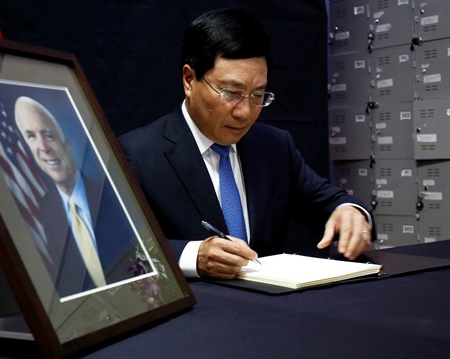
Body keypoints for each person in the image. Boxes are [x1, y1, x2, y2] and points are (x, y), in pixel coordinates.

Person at [118, 8, 374, 280]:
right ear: (189, 79)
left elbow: (332, 200)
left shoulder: (274, 147)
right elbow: (116, 251)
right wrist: (193, 256)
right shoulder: (138, 154)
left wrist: (350, 212)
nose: (245, 112)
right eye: (231, 93)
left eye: (258, 95)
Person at [15, 96, 146, 297]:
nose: (43, 147)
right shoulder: (41, 212)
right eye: (31, 137)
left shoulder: (114, 196)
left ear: (66, 145)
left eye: (48, 135)